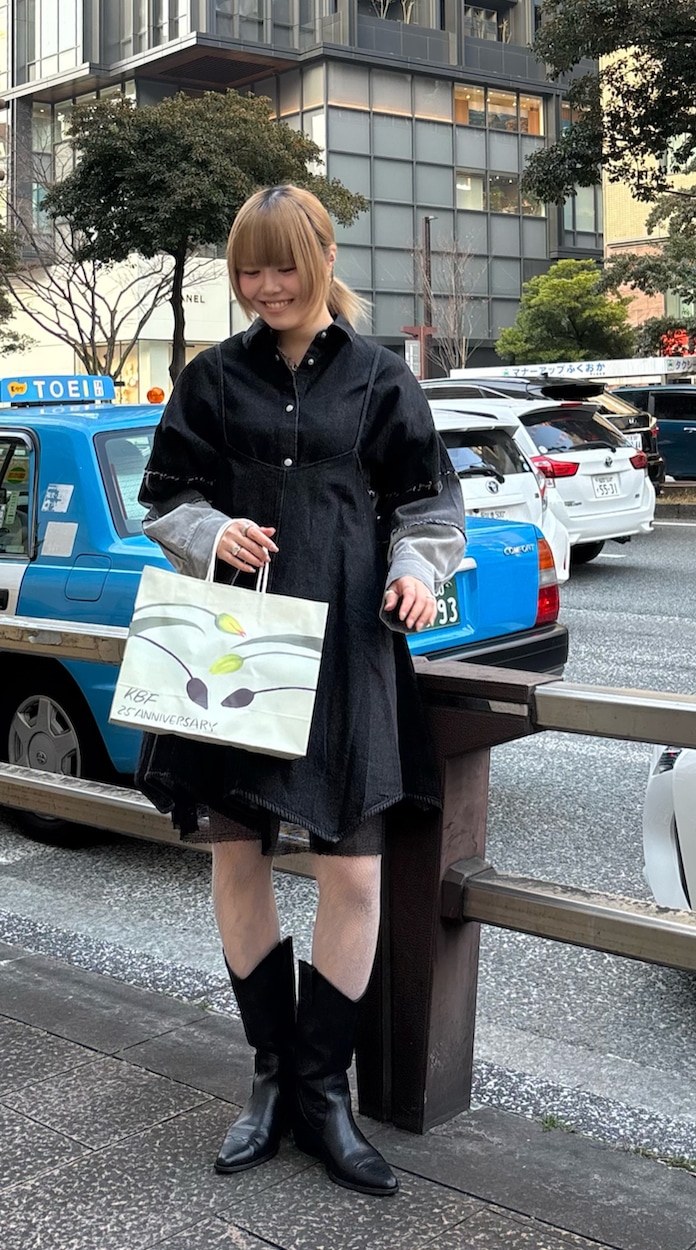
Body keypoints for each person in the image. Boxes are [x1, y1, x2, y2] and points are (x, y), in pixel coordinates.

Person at [136, 184, 465, 1197]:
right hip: (237, 648)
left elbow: (428, 503)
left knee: (354, 873)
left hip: (348, 646)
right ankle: (273, 1077)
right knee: (238, 857)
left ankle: (325, 1092)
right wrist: (212, 532)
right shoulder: (210, 376)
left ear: (322, 258)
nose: (266, 286)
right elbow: (165, 496)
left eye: (283, 266)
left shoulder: (379, 376)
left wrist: (417, 572)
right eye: (249, 269)